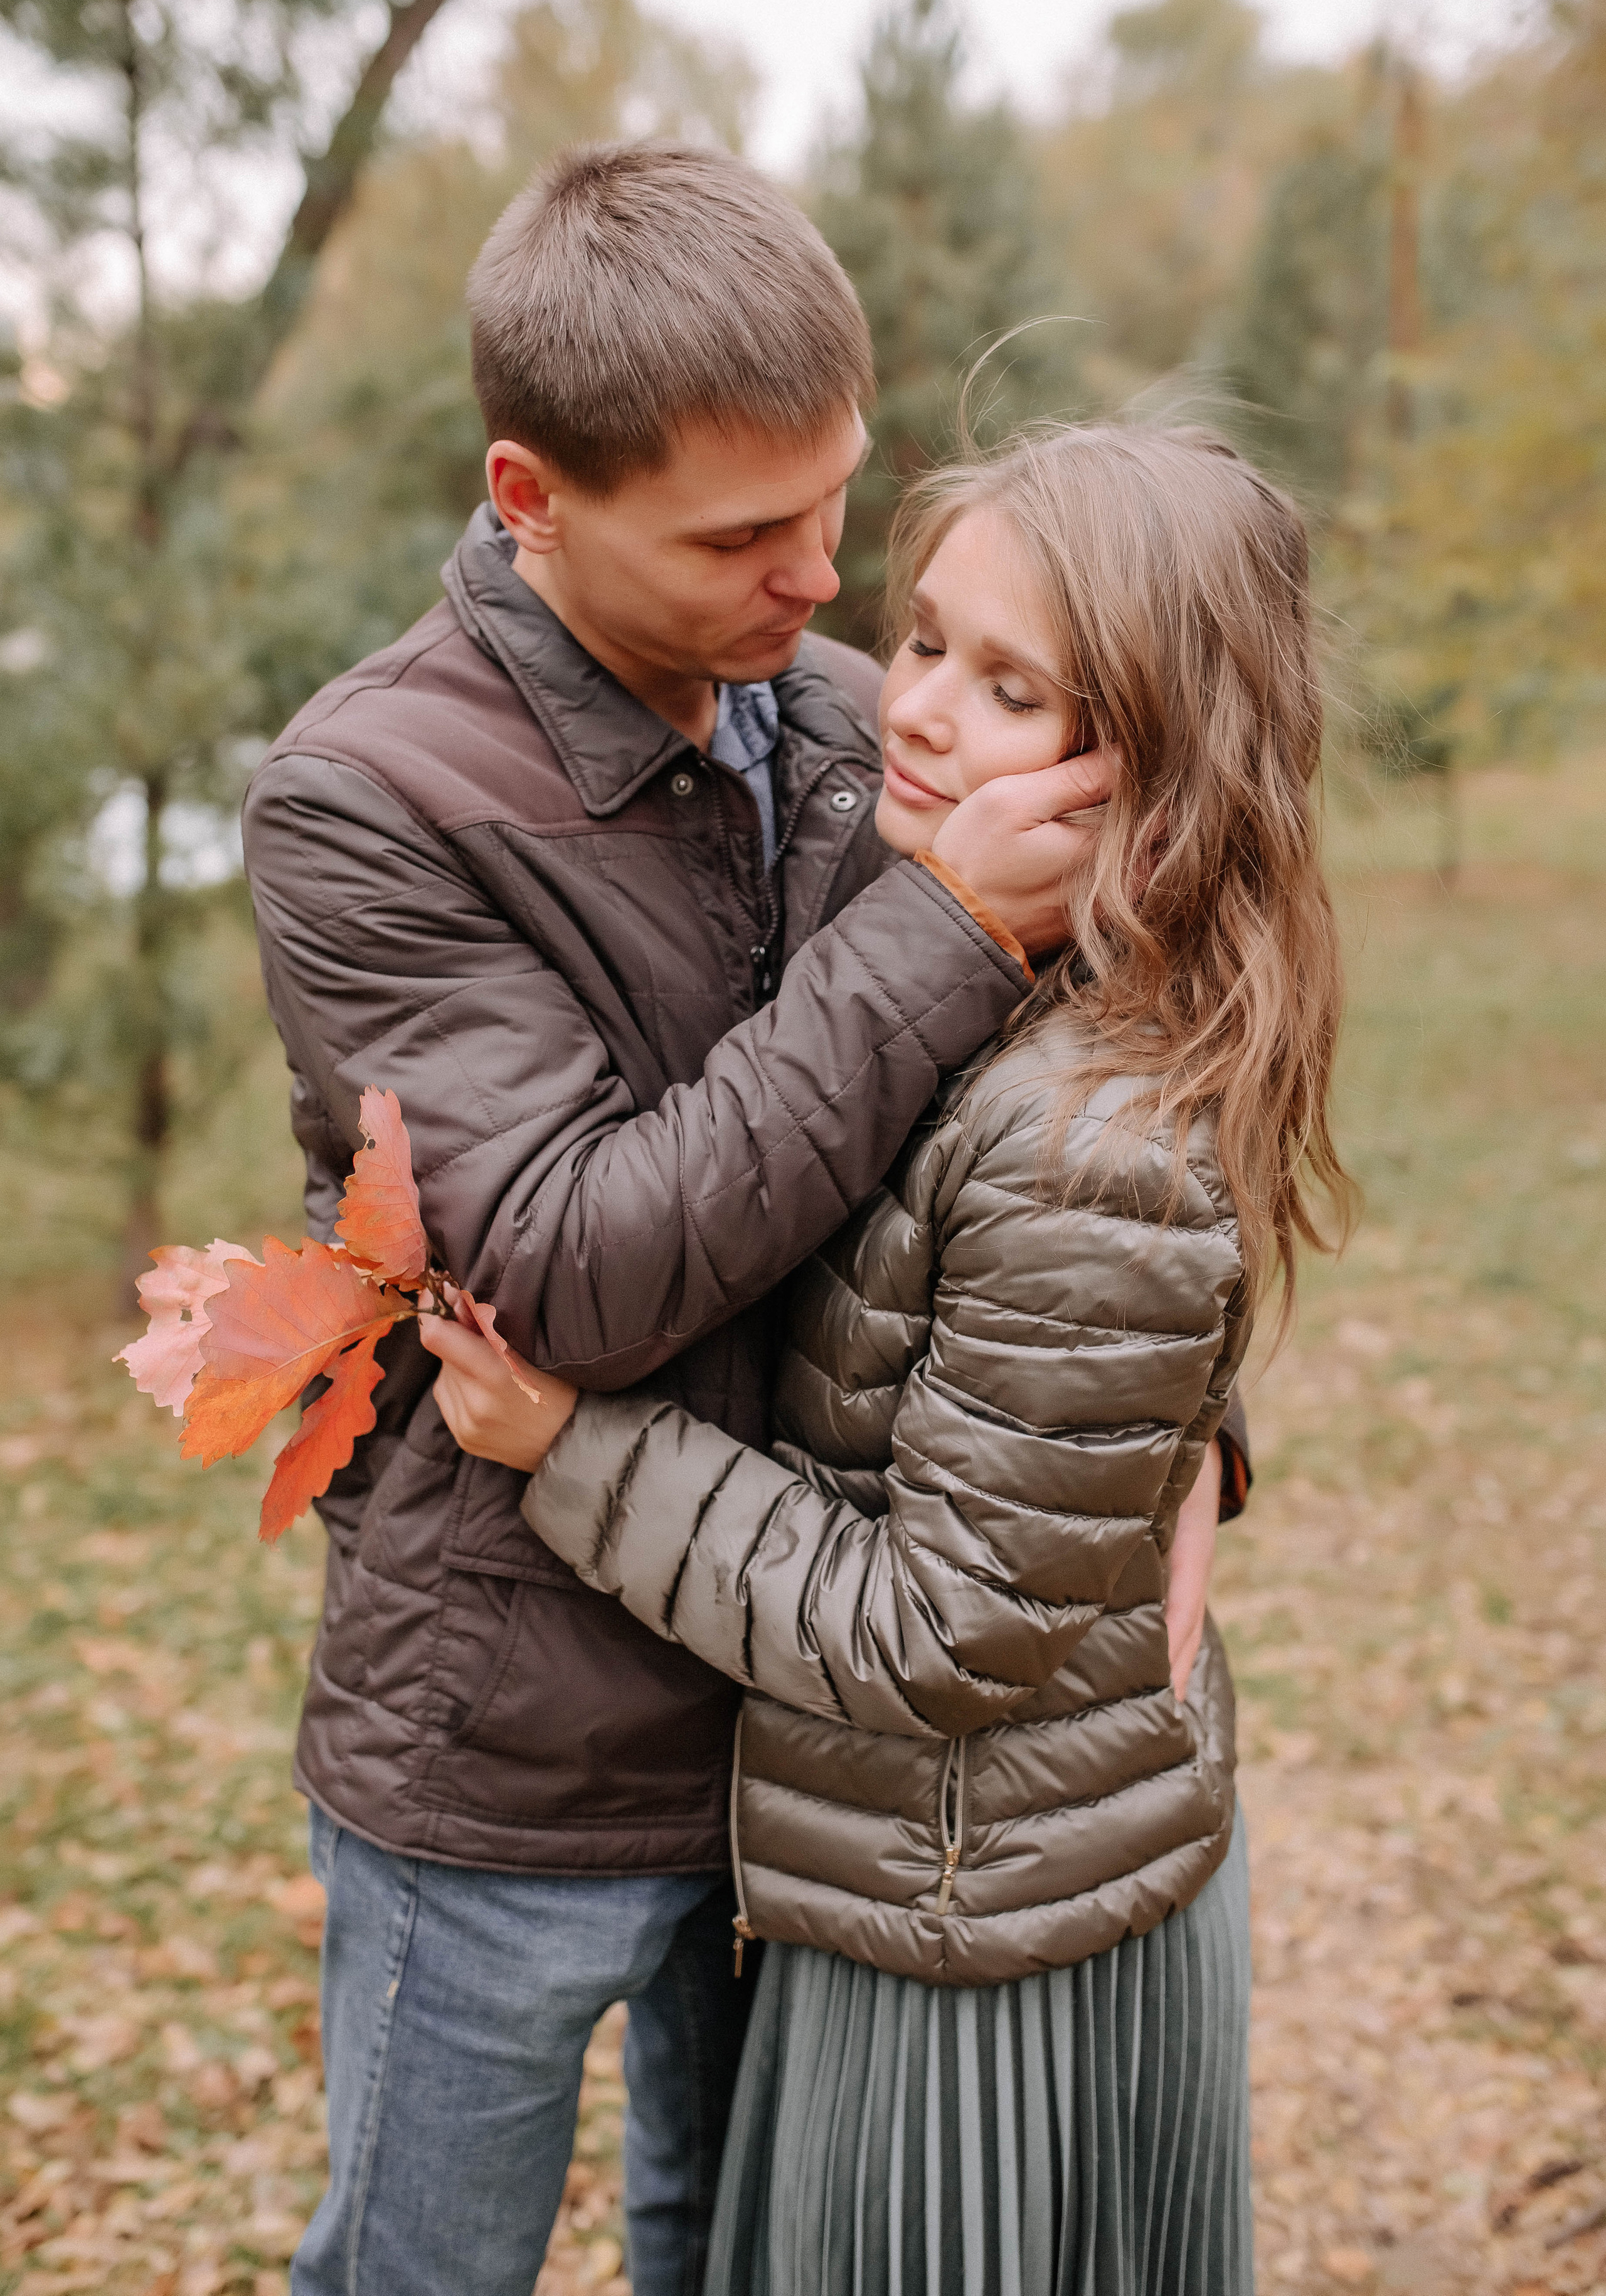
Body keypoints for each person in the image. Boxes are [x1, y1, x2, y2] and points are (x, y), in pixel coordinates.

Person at [243, 140, 1156, 2296]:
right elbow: (570, 1272)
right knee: (421, 2267)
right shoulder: (370, 798)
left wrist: (1183, 1428)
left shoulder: (845, 721)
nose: (826, 585)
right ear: (529, 494)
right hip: (508, 1748)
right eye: (746, 535)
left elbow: (1091, 1130)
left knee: (740, 2254)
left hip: (810, 1730)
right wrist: (939, 929)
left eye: (838, 502)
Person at [422, 419, 1353, 2293]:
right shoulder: (1002, 963)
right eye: (927, 639)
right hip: (937, 1871)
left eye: (1014, 688)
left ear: (1149, 778)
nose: (909, 709)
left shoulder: (1082, 1121)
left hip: (972, 1926)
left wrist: (565, 1447)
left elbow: (937, 1630)